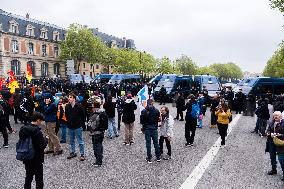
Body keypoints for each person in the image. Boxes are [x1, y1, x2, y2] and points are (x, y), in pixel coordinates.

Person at [19, 112, 47, 189]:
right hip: (36, 158)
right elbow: (41, 146)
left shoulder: (23, 129)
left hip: (27, 156)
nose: (41, 123)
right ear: (37, 120)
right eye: (41, 121)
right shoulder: (37, 132)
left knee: (28, 177)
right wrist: (46, 139)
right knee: (39, 179)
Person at [65, 92, 86, 161]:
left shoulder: (79, 106)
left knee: (80, 141)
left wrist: (82, 124)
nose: (69, 98)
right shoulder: (67, 106)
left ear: (74, 98)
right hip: (70, 126)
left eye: (70, 97)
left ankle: (82, 154)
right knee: (71, 141)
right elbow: (67, 116)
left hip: (78, 126)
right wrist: (68, 123)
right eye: (69, 97)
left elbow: (83, 116)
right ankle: (73, 152)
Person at [140, 99, 161, 163]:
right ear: (152, 103)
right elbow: (158, 119)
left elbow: (142, 121)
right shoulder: (157, 111)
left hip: (147, 129)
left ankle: (149, 158)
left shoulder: (143, 111)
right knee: (156, 143)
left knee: (148, 144)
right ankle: (158, 157)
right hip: (154, 128)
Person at [266, 111, 284, 181]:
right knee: (272, 157)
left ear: (280, 116)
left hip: (280, 143)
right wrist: (268, 133)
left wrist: (280, 135)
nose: (275, 117)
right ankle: (274, 170)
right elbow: (268, 130)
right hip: (271, 142)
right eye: (274, 116)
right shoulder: (271, 123)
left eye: (277, 116)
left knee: (281, 159)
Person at [87, 99, 106, 167]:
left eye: (92, 106)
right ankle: (100, 157)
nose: (91, 108)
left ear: (94, 107)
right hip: (102, 132)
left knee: (96, 147)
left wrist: (88, 125)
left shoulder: (95, 115)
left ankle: (98, 161)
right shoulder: (103, 112)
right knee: (100, 145)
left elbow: (91, 126)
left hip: (96, 133)